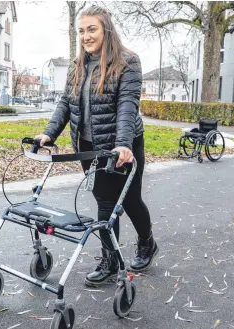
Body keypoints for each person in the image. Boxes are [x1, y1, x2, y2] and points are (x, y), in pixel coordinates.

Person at [35, 5, 158, 287]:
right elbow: (66, 103)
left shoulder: (128, 62)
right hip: (89, 146)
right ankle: (111, 258)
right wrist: (48, 134)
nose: (86, 36)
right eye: (81, 31)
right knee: (104, 202)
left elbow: (128, 106)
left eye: (92, 29)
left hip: (122, 145)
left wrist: (123, 144)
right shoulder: (78, 64)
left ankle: (146, 243)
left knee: (129, 200)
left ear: (106, 30)